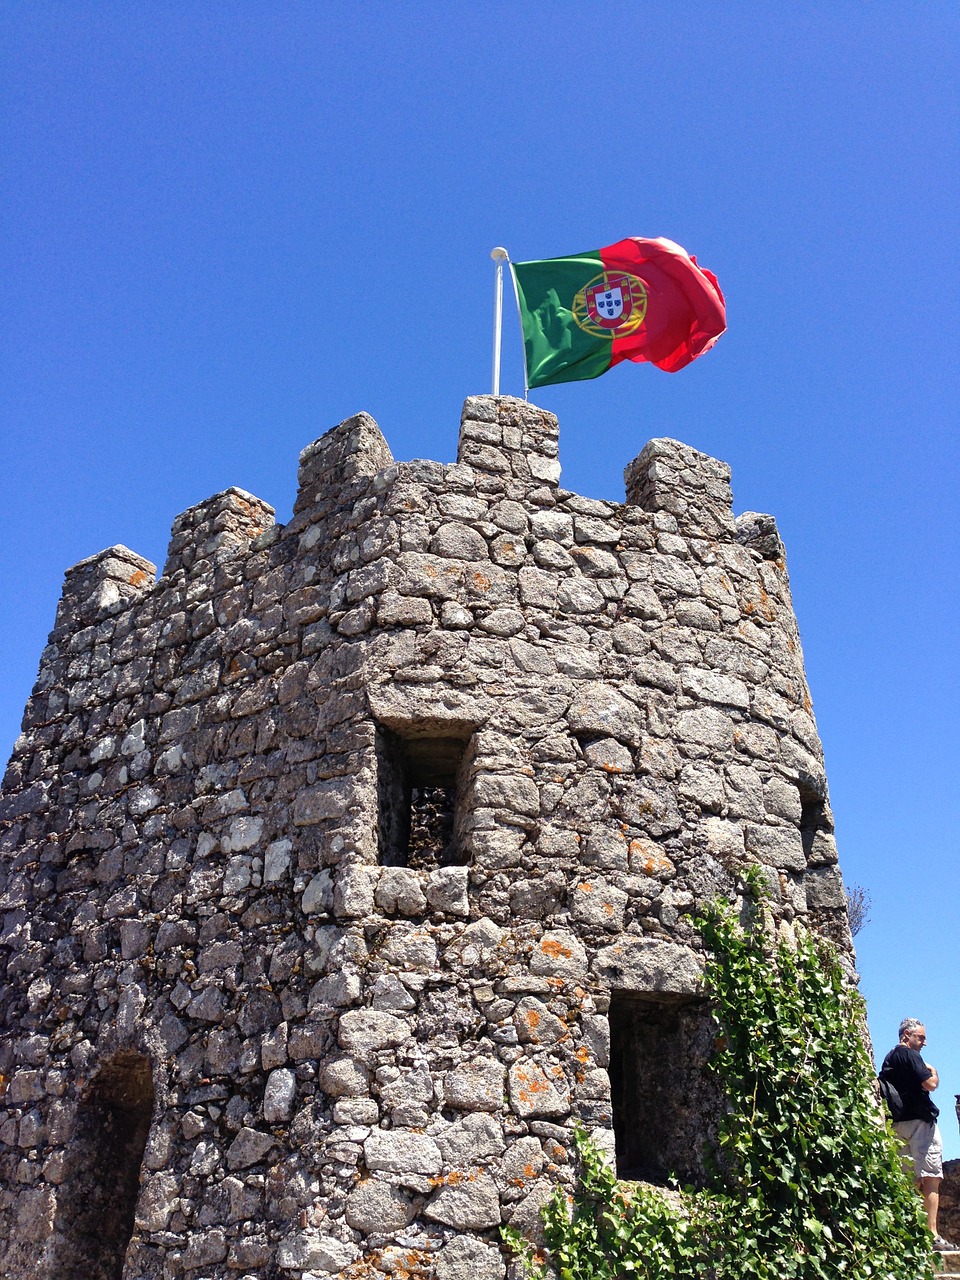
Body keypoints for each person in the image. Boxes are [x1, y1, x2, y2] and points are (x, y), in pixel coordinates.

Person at [880, 1018, 954, 1251]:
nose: (924, 1042)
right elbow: (930, 1084)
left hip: (897, 1124)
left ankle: (909, 1232)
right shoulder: (910, 1055)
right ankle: (931, 1235)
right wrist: (934, 1072)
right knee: (931, 1177)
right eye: (920, 1037)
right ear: (906, 1037)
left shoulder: (889, 1058)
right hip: (921, 1124)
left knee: (908, 1179)